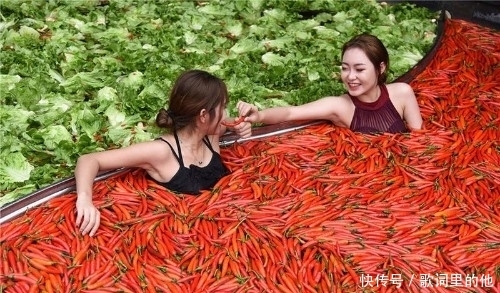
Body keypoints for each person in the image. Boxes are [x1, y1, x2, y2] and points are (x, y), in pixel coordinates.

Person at [75, 69, 252, 236]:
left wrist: (240, 125)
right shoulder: (161, 152)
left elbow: (231, 122)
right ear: (203, 115)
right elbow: (89, 160)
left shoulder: (210, 135)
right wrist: (84, 199)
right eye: (223, 107)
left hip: (228, 226)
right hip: (185, 236)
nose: (226, 113)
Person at [237, 33, 423, 133]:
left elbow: (420, 141)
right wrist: (259, 116)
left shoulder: (402, 93)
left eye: (359, 69)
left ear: (380, 68)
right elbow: (291, 112)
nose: (350, 76)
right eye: (345, 68)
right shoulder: (339, 106)